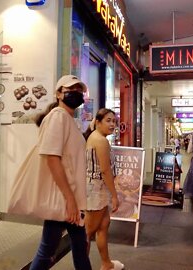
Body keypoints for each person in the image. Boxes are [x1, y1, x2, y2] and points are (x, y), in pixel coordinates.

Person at [29, 75, 92, 269]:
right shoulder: (58, 117)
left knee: (79, 247)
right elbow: (52, 158)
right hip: (64, 199)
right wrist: (70, 199)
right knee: (48, 249)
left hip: (71, 197)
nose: (76, 94)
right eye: (71, 89)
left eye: (80, 91)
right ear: (58, 94)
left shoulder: (68, 119)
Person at [82, 108, 124, 270]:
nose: (112, 124)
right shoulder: (100, 140)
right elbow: (105, 170)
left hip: (97, 187)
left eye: (114, 121)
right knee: (88, 232)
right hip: (96, 189)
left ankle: (106, 263)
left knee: (103, 225)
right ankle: (82, 266)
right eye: (108, 120)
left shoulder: (97, 138)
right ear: (98, 122)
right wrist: (114, 196)